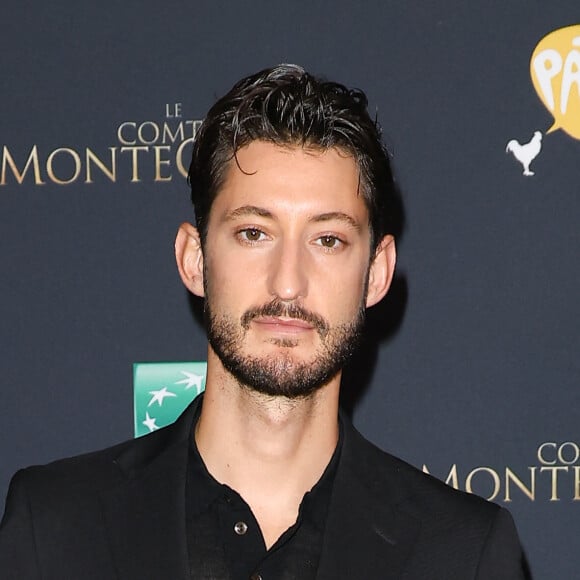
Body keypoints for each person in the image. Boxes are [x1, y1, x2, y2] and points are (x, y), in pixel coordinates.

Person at [0, 64, 526, 579]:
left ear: (376, 274)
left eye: (328, 240)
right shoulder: (53, 527)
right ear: (194, 258)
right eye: (254, 233)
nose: (288, 283)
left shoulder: (464, 554)